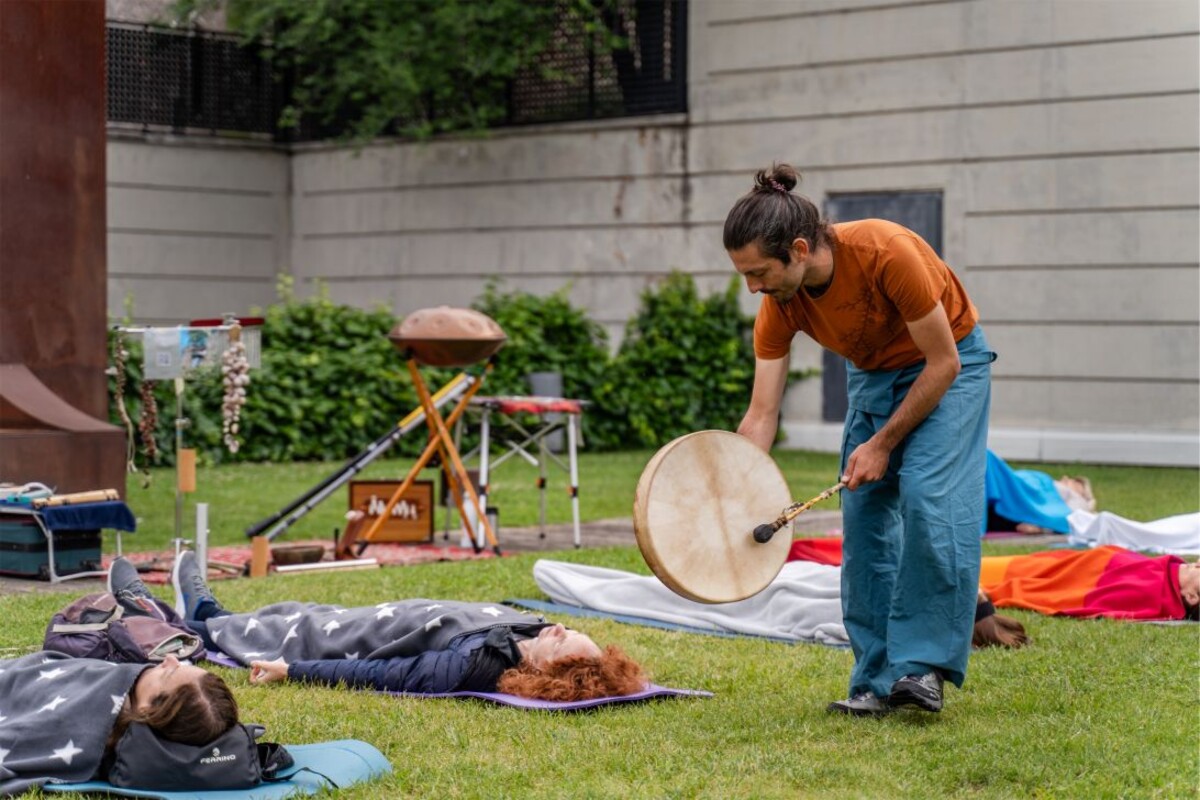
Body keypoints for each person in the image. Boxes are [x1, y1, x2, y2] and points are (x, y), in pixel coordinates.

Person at [725, 164, 996, 717]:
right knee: (865, 514)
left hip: (950, 364)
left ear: (799, 250)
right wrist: (733, 492)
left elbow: (943, 363)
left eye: (758, 272)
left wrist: (882, 444)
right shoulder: (780, 305)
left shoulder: (885, 252)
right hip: (874, 374)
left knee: (928, 496)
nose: (753, 287)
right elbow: (761, 413)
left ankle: (921, 667)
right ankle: (875, 678)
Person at [156, 552, 646, 701]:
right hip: (377, 616)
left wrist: (293, 671)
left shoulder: (473, 666)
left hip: (353, 641)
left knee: (289, 629)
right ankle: (205, 612)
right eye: (566, 628)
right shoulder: (529, 632)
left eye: (562, 642)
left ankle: (179, 620)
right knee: (296, 610)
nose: (557, 628)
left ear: (545, 674)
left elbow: (387, 675)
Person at [0, 614, 237, 796]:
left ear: (147, 709)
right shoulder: (131, 684)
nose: (169, 659)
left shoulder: (87, 723)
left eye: (168, 673)